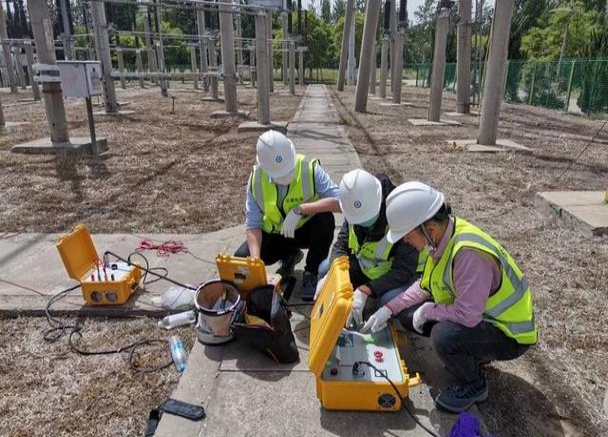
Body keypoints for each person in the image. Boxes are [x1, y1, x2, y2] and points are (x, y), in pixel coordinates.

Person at [361, 181, 537, 413]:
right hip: (482, 318)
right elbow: (423, 287)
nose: (405, 242)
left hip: (509, 334)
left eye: (406, 236)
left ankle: (474, 384)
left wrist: (428, 311)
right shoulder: (442, 238)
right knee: (406, 315)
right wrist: (388, 310)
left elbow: (467, 316)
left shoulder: (468, 254)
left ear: (428, 229)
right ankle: (470, 355)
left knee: (443, 336)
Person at [235, 130, 341, 300]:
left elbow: (341, 202)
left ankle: (311, 272)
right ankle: (289, 256)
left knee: (325, 219)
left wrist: (301, 209)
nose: (285, 176)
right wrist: (256, 263)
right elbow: (253, 224)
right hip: (275, 235)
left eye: (288, 170)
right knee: (242, 259)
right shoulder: (256, 179)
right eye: (279, 175)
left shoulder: (309, 168)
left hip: (303, 231)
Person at [315, 169, 420, 329]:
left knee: (387, 300)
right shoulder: (355, 208)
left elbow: (403, 270)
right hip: (365, 269)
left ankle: (379, 311)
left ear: (380, 201)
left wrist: (367, 290)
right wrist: (333, 272)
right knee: (325, 269)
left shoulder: (401, 217)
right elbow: (341, 244)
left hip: (398, 276)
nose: (362, 222)